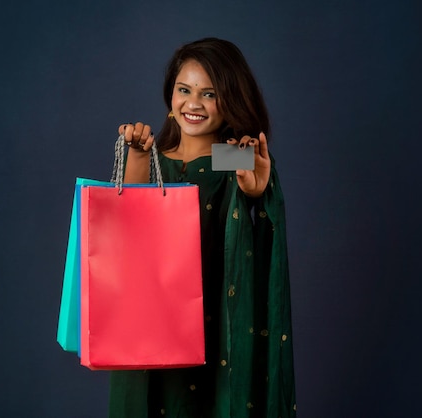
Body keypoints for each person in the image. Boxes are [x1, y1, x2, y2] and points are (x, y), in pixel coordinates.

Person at [109, 37, 296, 418]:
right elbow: (127, 226)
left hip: (216, 333)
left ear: (229, 100)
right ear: (170, 95)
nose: (193, 104)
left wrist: (256, 193)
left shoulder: (234, 156)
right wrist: (140, 155)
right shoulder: (153, 156)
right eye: (184, 90)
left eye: (209, 94)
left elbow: (259, 197)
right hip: (151, 327)